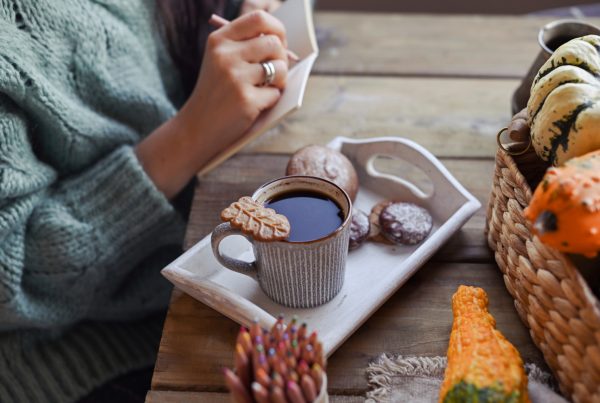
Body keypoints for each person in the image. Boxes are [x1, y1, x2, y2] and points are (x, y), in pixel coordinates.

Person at [0, 0, 288, 401]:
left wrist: (258, 17)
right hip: (95, 354)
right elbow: (10, 276)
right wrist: (190, 135)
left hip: (213, 257)